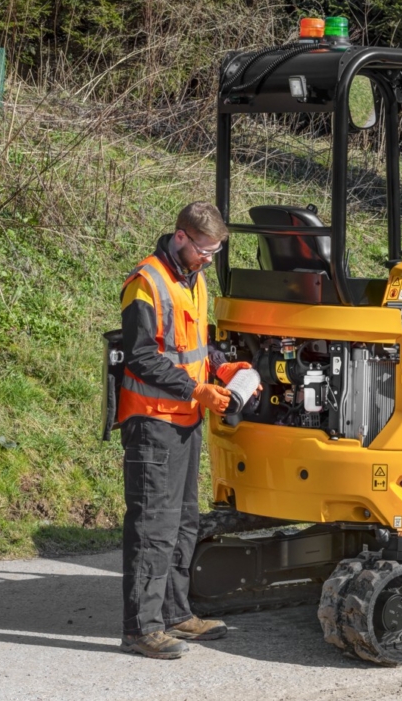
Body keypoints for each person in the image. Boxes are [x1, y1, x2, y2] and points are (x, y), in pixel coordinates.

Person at [116, 202, 250, 659]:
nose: (209, 258)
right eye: (204, 250)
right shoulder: (144, 283)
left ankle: (175, 614)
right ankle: (140, 628)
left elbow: (194, 344)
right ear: (180, 237)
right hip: (152, 422)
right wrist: (197, 390)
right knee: (153, 526)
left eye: (214, 252)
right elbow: (141, 357)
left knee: (183, 521)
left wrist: (222, 366)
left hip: (185, 421)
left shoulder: (195, 278)